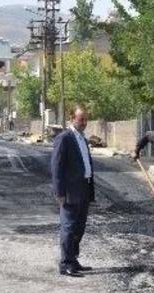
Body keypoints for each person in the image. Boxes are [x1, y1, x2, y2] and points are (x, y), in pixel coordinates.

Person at [51, 105, 95, 277]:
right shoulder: (64, 138)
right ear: (71, 118)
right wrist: (59, 192)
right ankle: (66, 264)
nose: (84, 122)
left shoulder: (82, 138)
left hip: (84, 187)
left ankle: (73, 259)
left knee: (79, 227)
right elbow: (56, 166)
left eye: (86, 119)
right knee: (69, 227)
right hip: (70, 191)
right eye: (81, 119)